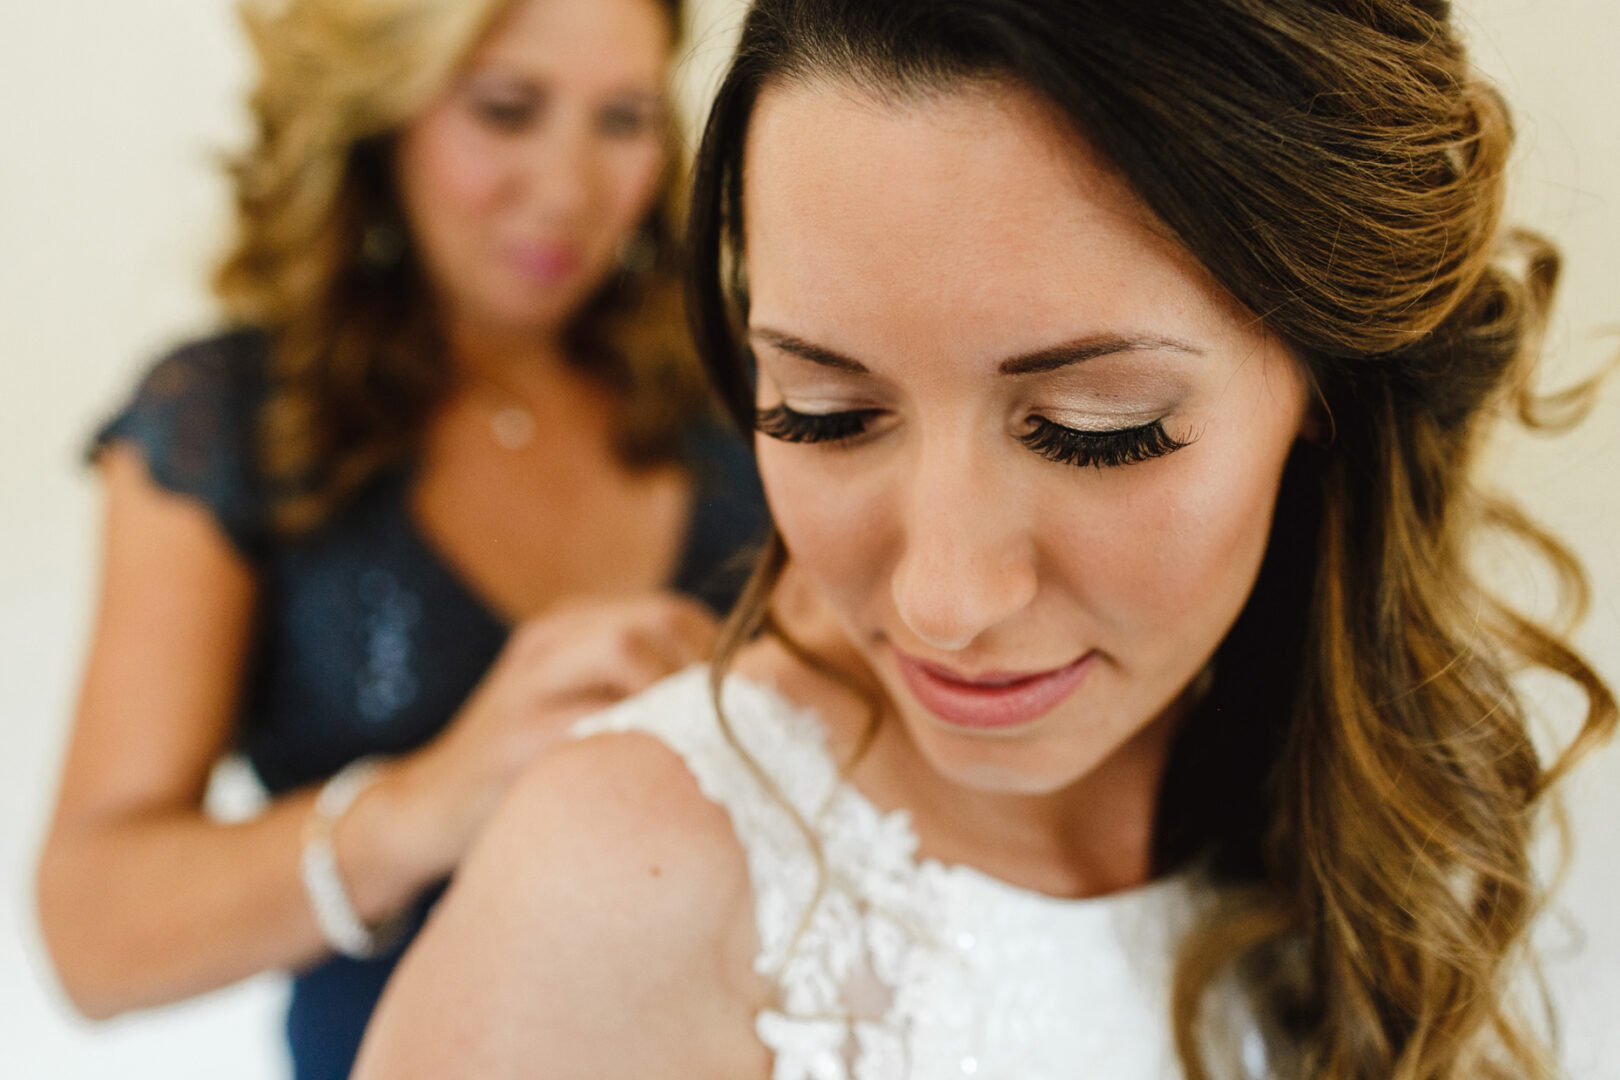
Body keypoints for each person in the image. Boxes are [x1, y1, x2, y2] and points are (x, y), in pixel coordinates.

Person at [353, 1, 1616, 1077]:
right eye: (824, 411)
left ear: (1330, 390)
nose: (946, 601)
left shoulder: (1416, 790)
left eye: (1093, 429)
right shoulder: (623, 882)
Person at [33, 0, 766, 1077]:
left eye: (621, 119)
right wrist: (426, 803)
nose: (570, 189)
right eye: (508, 110)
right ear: (383, 111)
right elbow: (91, 938)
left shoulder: (744, 379)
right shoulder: (234, 420)